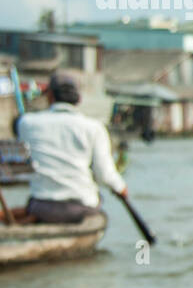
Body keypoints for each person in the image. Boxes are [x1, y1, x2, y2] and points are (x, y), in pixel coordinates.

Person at [16, 72, 127, 223]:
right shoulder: (94, 128)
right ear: (79, 99)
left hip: (41, 207)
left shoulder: (26, 123)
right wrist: (120, 188)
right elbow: (104, 175)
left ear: (50, 97)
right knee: (97, 200)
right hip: (80, 209)